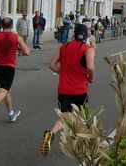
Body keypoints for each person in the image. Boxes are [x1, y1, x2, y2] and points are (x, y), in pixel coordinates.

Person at [41, 24, 95, 156]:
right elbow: (90, 67)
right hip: (80, 89)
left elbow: (51, 64)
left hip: (64, 89)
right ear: (86, 36)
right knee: (80, 116)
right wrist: (91, 78)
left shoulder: (63, 47)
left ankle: (51, 133)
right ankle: (81, 143)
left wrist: (63, 72)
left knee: (65, 116)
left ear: (74, 34)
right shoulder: (88, 49)